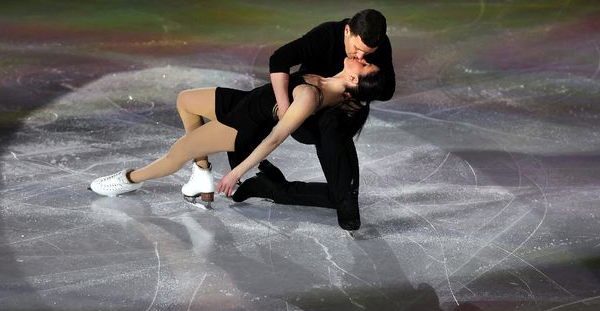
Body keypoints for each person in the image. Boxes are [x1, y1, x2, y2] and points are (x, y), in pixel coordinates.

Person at [89, 58, 384, 205]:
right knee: (185, 100)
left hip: (242, 126)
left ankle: (128, 180)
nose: (361, 57)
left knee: (177, 153)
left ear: (354, 80)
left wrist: (235, 172)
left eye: (365, 64)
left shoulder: (311, 97)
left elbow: (275, 138)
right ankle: (202, 173)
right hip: (244, 101)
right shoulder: (327, 76)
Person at [230, 9, 395, 230]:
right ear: (347, 31)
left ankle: (276, 188)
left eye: (367, 55)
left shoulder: (378, 44)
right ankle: (345, 199)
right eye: (357, 49)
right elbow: (279, 59)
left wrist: (357, 90)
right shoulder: (326, 36)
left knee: (341, 187)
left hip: (338, 116)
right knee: (331, 124)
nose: (360, 57)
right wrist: (285, 109)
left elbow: (387, 90)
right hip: (307, 116)